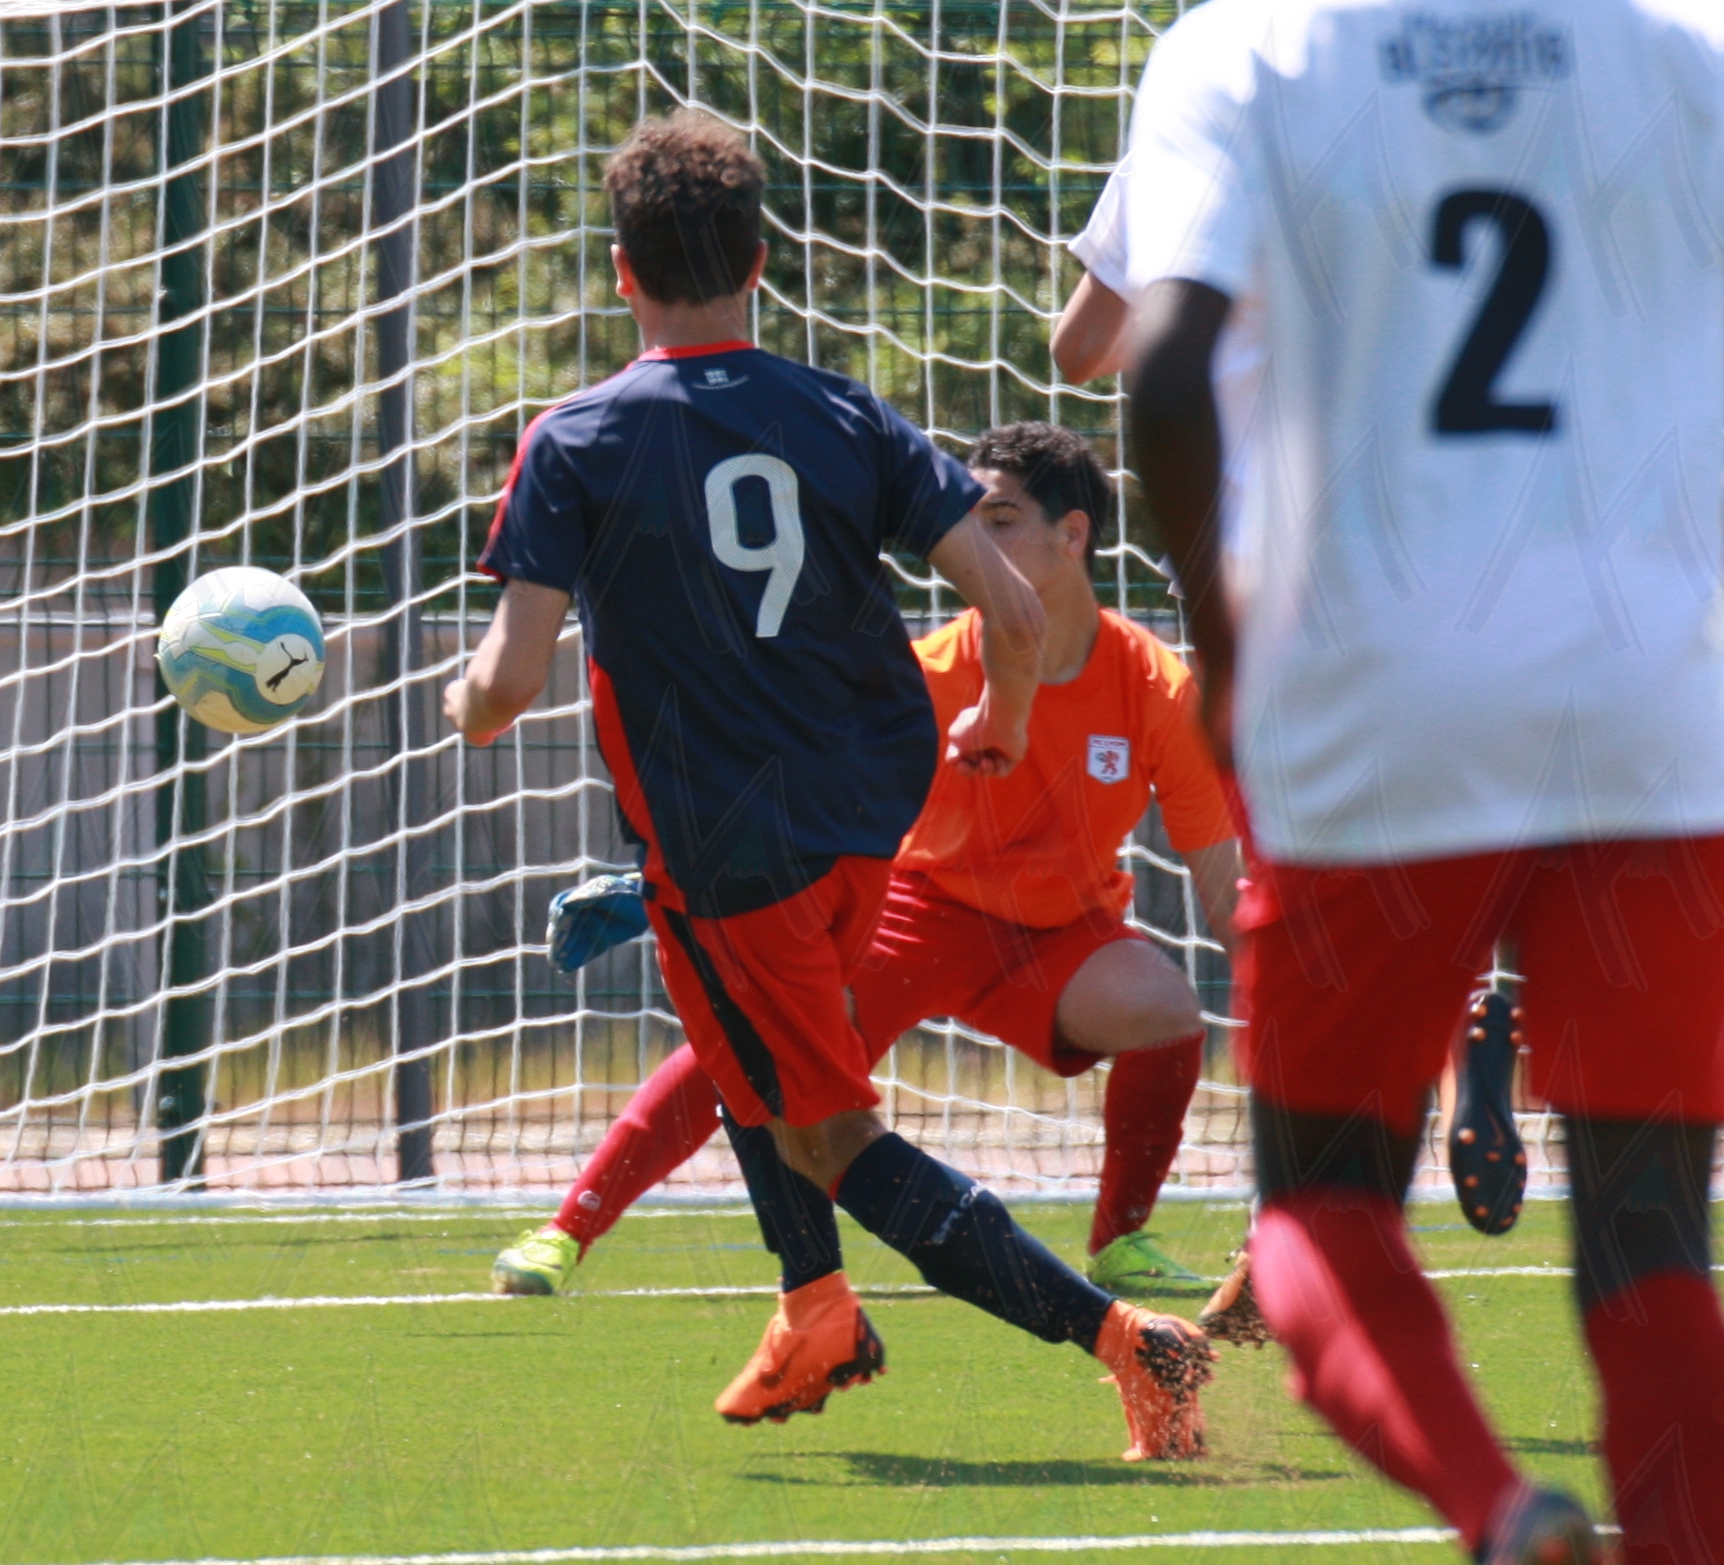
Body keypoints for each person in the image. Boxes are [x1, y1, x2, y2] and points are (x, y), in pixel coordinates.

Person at [1123, 0, 1724, 1559]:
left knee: (1317, 1211)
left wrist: (1226, 647)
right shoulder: (1683, 34)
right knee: (1650, 1252)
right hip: (1644, 715)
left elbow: (1161, 376)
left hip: (1374, 706)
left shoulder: (1243, 47)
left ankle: (1498, 1509)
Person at [446, 110, 1214, 1460]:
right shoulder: (847, 412)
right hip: (870, 823)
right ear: (759, 261)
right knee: (752, 1064)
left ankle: (1125, 1343)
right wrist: (999, 717)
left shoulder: (573, 439)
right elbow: (1009, 608)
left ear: (620, 273)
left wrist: (459, 704)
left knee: (835, 1137)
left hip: (730, 847)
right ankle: (811, 1306)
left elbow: (505, 686)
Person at [493, 422, 1264, 1334]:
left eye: (1001, 520)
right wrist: (669, 884)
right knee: (756, 1032)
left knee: (1164, 1009)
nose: (975, 540)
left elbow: (1218, 877)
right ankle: (567, 1227)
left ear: (1073, 535)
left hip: (1058, 932)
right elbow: (796, 794)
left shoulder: (1156, 687)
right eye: (969, 521)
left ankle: (1121, 1238)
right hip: (912, 910)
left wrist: (1287, 972)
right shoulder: (925, 672)